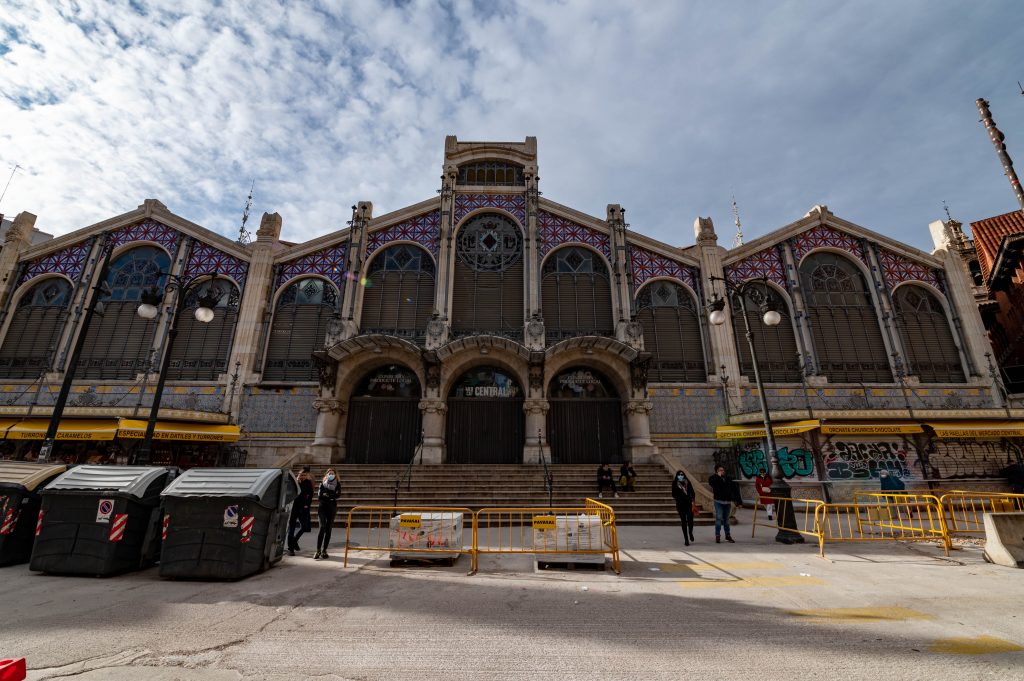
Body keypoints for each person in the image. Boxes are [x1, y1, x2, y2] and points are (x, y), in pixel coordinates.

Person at [315, 468, 342, 560]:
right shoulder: (322, 484)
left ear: (335, 475)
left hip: (332, 508)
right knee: (322, 527)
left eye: (332, 473)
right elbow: (319, 496)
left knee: (328, 529)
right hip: (322, 508)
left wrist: (327, 495)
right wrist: (331, 496)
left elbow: (338, 495)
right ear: (326, 475)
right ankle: (318, 550)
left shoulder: (337, 484)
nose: (331, 474)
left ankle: (324, 550)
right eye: (329, 473)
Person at [288, 466, 314, 556]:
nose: (302, 476)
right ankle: (290, 548)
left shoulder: (308, 482)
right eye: (300, 474)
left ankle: (294, 541)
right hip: (294, 508)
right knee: (291, 528)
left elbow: (311, 495)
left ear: (306, 475)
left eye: (304, 475)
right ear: (298, 475)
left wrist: (307, 504)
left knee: (304, 527)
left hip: (303, 508)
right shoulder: (294, 482)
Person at [708, 466, 735, 543]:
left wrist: (737, 501)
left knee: (726, 520)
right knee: (719, 518)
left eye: (723, 470)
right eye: (720, 470)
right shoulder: (713, 478)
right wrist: (718, 477)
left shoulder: (727, 478)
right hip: (718, 501)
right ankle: (717, 535)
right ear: (716, 471)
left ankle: (728, 535)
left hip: (727, 502)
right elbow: (712, 484)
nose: (722, 471)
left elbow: (733, 488)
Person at [671, 470, 696, 546]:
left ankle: (690, 532)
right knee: (683, 521)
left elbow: (692, 492)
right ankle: (686, 538)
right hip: (680, 505)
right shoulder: (675, 483)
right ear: (677, 476)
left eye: (682, 474)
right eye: (679, 475)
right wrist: (679, 498)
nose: (681, 476)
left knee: (690, 519)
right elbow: (673, 494)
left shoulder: (687, 482)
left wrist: (692, 499)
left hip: (688, 504)